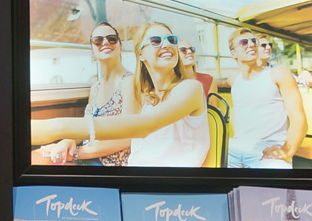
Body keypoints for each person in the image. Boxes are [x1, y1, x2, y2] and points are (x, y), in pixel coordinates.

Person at [29, 22, 209, 168]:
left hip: (167, 188)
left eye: (171, 39)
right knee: (37, 159)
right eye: (156, 41)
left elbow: (143, 127)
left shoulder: (191, 88)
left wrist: (56, 128)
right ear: (141, 54)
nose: (167, 44)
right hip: (137, 177)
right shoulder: (148, 99)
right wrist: (68, 142)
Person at [34, 21, 133, 167]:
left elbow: (129, 137)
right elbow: (87, 127)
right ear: (92, 50)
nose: (105, 42)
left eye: (112, 39)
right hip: (87, 154)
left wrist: (75, 153)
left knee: (40, 161)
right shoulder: (96, 87)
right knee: (36, 156)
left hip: (109, 162)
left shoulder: (129, 82)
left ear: (120, 46)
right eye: (98, 41)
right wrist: (70, 141)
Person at [224, 31, 306, 168]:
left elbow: (299, 119)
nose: (251, 45)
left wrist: (286, 151)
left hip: (268, 148)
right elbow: (215, 81)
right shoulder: (234, 78)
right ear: (233, 54)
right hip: (235, 147)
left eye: (254, 41)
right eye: (244, 42)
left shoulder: (278, 73)